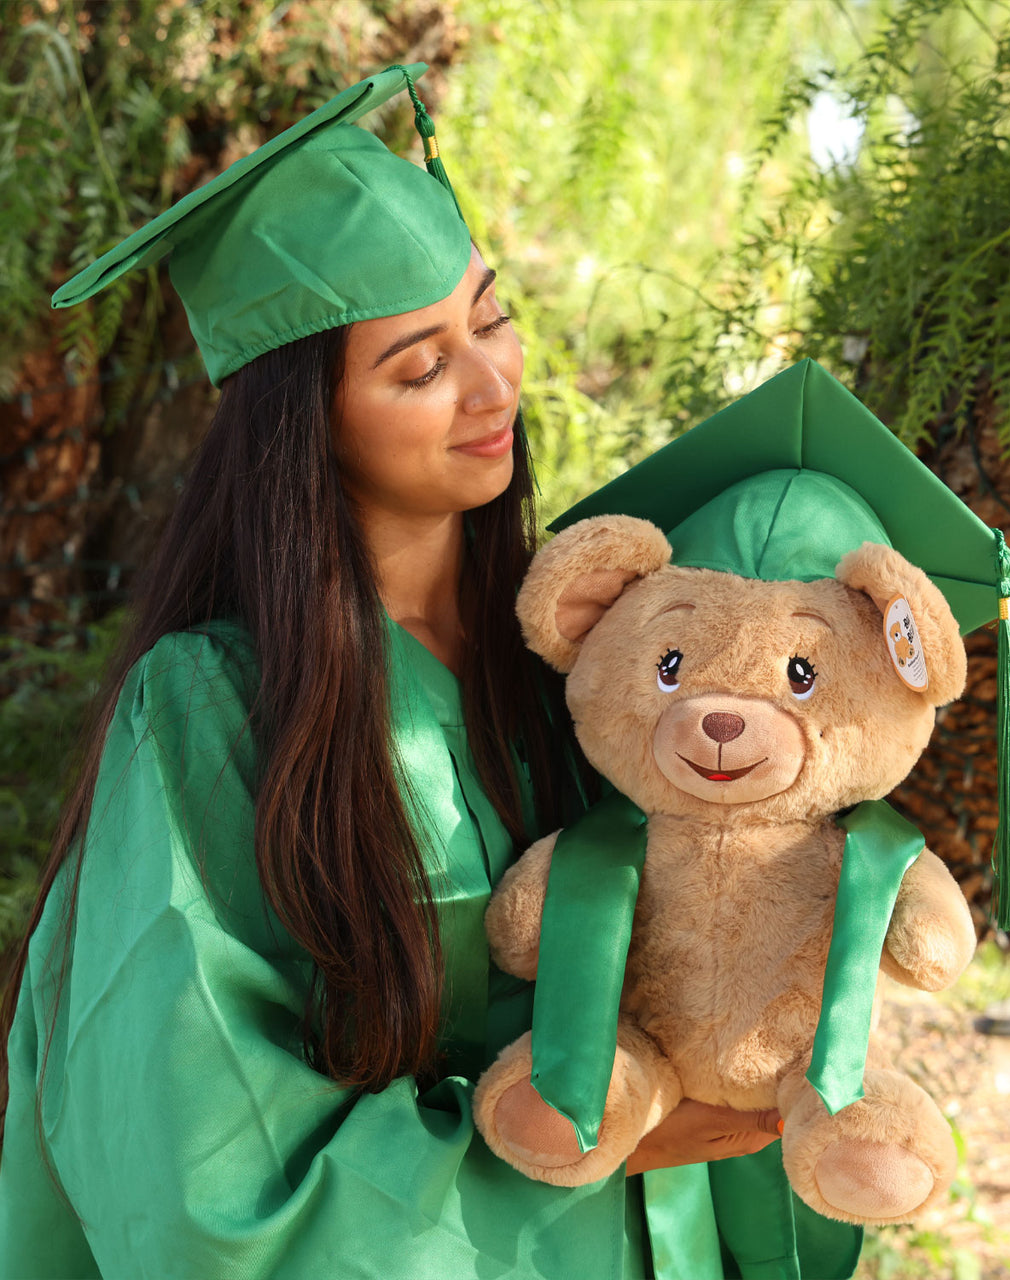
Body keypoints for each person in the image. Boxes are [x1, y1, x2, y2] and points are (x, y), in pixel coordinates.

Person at [0, 64, 854, 1280]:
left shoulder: (597, 657)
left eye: (490, 318)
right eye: (418, 365)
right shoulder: (209, 709)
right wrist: (612, 1144)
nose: (494, 382)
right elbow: (202, 1161)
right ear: (310, 421)